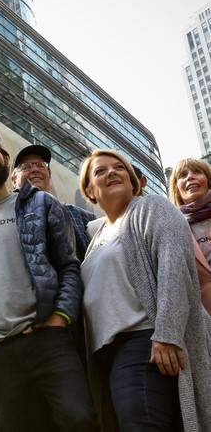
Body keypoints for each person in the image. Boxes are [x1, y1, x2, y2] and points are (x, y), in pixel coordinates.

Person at [0, 123, 96, 432]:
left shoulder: (42, 204)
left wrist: (61, 317)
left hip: (48, 341)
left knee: (80, 420)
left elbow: (68, 265)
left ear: (4, 157)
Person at [80, 150, 211, 431]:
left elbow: (174, 266)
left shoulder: (152, 208)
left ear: (133, 179)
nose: (112, 172)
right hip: (107, 351)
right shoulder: (96, 236)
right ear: (89, 190)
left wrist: (167, 334)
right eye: (100, 171)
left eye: (119, 167)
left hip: (144, 340)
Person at [11, 145, 96, 260]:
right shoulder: (6, 214)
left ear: (49, 176)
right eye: (26, 167)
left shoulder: (83, 218)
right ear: (14, 180)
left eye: (41, 165)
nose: (35, 169)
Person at [168, 157, 211, 313]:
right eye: (182, 175)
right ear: (177, 190)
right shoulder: (173, 228)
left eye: (197, 172)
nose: (190, 177)